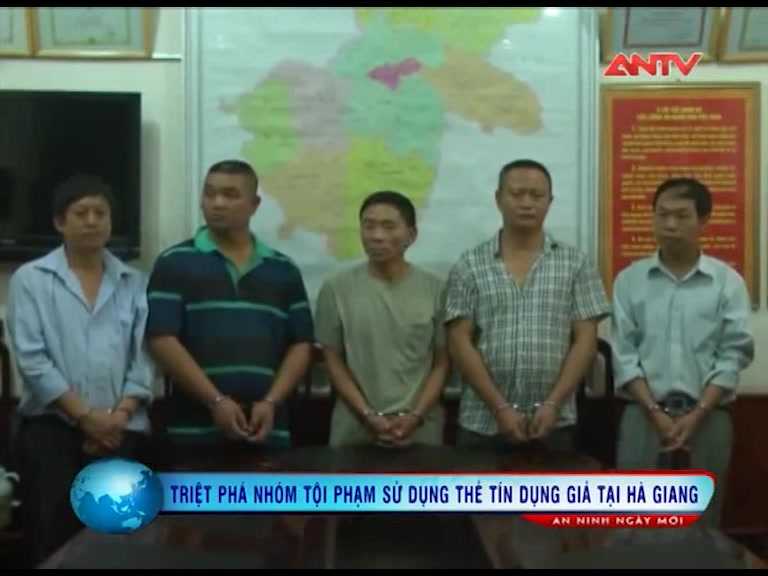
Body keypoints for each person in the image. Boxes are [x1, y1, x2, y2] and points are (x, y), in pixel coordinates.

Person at [7, 173, 153, 565]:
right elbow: (32, 359)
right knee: (52, 538)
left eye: (100, 213)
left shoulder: (134, 282)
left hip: (122, 429)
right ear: (60, 222)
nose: (92, 221)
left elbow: (145, 357)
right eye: (81, 213)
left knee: (116, 542)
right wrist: (87, 418)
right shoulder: (31, 280)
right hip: (51, 430)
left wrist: (116, 418)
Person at [611, 177, 754, 527]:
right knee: (636, 524)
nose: (670, 224)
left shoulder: (727, 283)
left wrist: (699, 412)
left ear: (703, 221)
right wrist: (655, 413)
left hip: (708, 417)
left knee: (702, 524)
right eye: (662, 215)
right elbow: (624, 355)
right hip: (642, 415)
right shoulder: (630, 281)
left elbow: (733, 355)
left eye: (681, 215)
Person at [145, 160, 313, 447]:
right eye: (209, 193)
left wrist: (271, 402)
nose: (217, 203)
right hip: (193, 432)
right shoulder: (174, 262)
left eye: (230, 195)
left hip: (268, 428)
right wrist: (216, 401)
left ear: (254, 205)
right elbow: (161, 339)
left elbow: (302, 344)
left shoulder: (283, 269)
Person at [444, 159, 610, 450]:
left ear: (549, 202)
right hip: (482, 422)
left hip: (554, 422)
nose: (526, 203)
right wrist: (500, 408)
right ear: (498, 199)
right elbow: (459, 341)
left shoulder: (576, 264)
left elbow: (585, 340)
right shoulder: (469, 265)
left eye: (536, 195)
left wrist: (553, 404)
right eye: (517, 194)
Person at [315, 191, 450, 447]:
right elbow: (332, 359)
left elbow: (442, 363)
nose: (377, 236)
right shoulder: (336, 288)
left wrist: (415, 416)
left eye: (389, 226)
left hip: (420, 428)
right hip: (353, 428)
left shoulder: (437, 289)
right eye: (369, 226)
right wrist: (368, 415)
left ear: (411, 235)